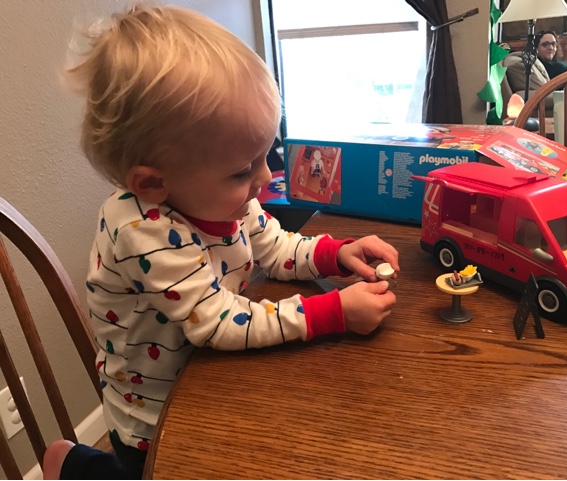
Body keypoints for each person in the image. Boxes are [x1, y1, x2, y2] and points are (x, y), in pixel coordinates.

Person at [44, 3, 399, 479]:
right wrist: (332, 312)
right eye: (243, 170)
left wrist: (336, 253)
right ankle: (74, 464)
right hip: (154, 417)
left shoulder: (227, 199)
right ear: (153, 183)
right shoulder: (140, 231)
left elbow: (276, 248)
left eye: (265, 155)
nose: (265, 178)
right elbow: (217, 323)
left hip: (212, 373)